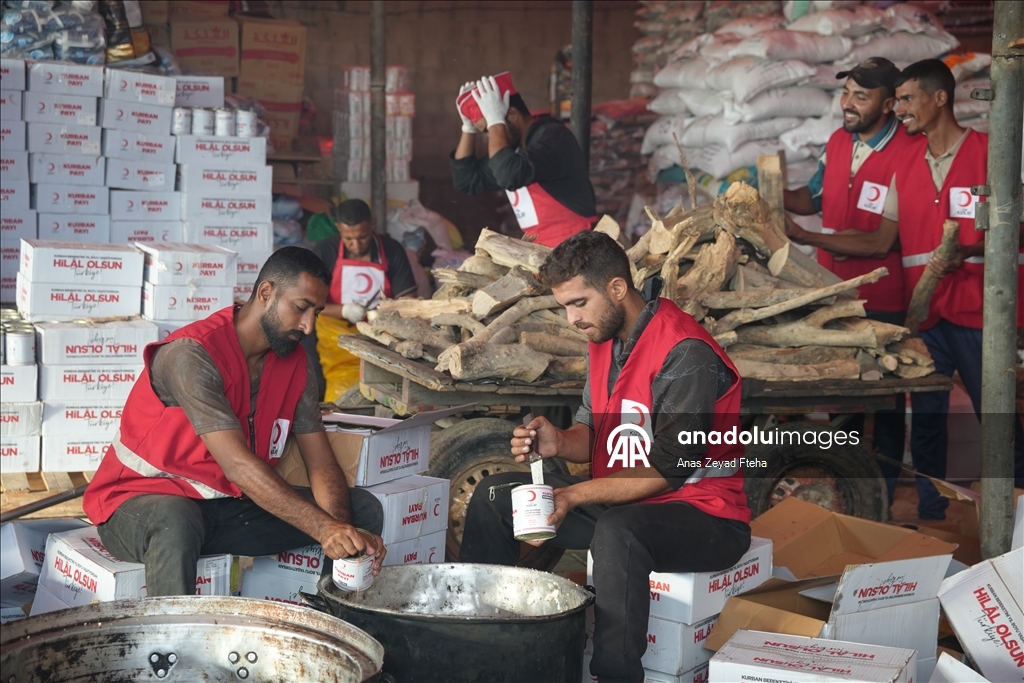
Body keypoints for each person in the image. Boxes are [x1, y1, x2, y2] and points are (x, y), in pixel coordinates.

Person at [459, 231, 752, 683]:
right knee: (495, 495)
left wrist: (573, 495)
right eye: (564, 307)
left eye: (579, 302)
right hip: (625, 502)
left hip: (706, 516)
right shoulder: (606, 339)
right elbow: (595, 435)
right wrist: (557, 441)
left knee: (619, 533)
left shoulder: (685, 352)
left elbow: (673, 469)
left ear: (617, 288)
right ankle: (477, 646)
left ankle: (615, 676)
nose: (572, 318)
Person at [783, 59, 1024, 518]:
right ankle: (932, 514)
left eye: (909, 99)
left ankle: (1018, 517)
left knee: (997, 421)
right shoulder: (906, 161)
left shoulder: (991, 151)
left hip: (979, 311)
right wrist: (806, 234)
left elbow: (1017, 226)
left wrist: (968, 251)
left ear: (939, 98)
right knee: (928, 424)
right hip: (925, 314)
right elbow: (883, 239)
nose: (902, 111)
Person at [83, 247, 386, 596]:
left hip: (225, 507)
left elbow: (319, 461)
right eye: (301, 308)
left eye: (316, 313)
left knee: (360, 511)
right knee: (177, 519)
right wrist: (322, 528)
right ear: (265, 293)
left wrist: (341, 532)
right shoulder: (191, 354)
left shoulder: (295, 363)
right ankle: (172, 643)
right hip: (138, 504)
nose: (308, 325)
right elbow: (238, 466)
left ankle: (335, 620)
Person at [783, 57, 913, 504]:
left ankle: (883, 500)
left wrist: (803, 235)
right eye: (846, 93)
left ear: (890, 103)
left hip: (880, 295)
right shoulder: (839, 141)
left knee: (885, 404)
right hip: (830, 293)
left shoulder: (908, 151)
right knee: (842, 401)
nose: (848, 104)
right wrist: (771, 191)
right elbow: (811, 196)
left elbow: (881, 243)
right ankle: (847, 493)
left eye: (862, 95)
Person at [451, 74, 597, 247]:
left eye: (490, 128)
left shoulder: (552, 137)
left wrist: (495, 121)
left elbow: (510, 175)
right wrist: (468, 129)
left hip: (576, 244)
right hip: (541, 247)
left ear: (512, 114)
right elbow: (466, 180)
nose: (491, 137)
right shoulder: (513, 150)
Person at [302, 199, 418, 401]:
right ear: (338, 228)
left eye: (362, 237)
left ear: (372, 224)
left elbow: (409, 300)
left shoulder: (392, 251)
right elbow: (306, 302)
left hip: (381, 340)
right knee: (340, 397)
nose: (356, 245)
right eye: (348, 239)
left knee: (383, 394)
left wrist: (386, 312)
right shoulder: (325, 251)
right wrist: (344, 311)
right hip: (336, 342)